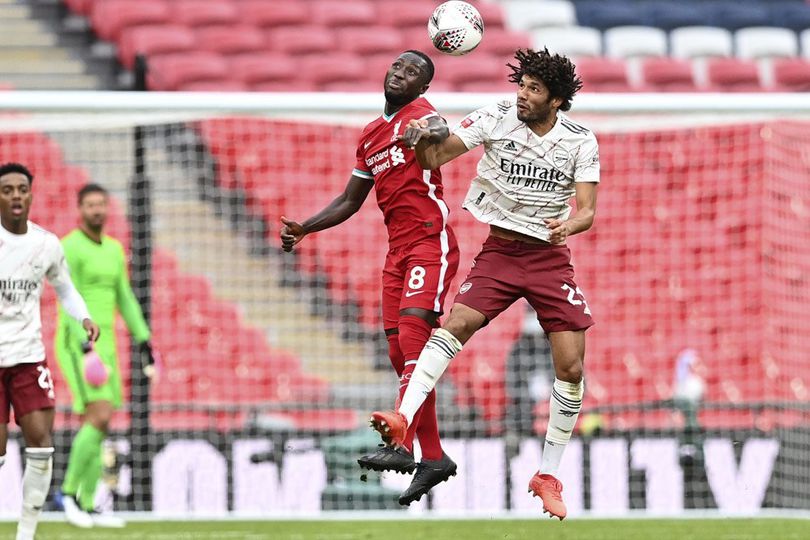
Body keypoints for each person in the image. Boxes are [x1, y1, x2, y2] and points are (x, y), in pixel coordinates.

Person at [369, 48, 600, 520]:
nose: (522, 94)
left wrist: (569, 227)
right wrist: (422, 136)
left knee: (572, 369)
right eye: (522, 84)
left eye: (534, 89)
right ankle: (402, 419)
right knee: (453, 325)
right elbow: (440, 151)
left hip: (550, 259)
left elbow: (588, 212)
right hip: (500, 252)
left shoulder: (581, 141)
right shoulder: (497, 115)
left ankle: (547, 473)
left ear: (555, 100)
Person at [280, 50, 460, 506]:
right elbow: (349, 200)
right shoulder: (370, 136)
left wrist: (430, 131)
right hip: (396, 251)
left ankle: (401, 444)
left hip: (428, 239)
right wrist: (306, 226)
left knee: (417, 338)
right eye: (398, 66)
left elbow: (441, 130)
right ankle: (433, 456)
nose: (402, 74)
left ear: (423, 88)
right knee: (400, 352)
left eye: (414, 73)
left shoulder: (421, 115)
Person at [0, 162, 100, 540]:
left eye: (21, 189)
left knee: (41, 441)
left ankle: (25, 534)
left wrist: (85, 318)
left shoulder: (46, 244)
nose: (15, 196)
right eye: (7, 189)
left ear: (30, 194)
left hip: (28, 358)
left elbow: (66, 288)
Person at [55, 183, 158, 528]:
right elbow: (67, 296)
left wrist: (144, 339)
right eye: (90, 205)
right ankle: (68, 495)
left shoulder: (114, 249)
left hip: (109, 343)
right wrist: (84, 347)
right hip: (78, 342)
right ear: (79, 209)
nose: (97, 210)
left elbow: (124, 297)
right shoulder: (70, 246)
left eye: (102, 204)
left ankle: (87, 503)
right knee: (97, 415)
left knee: (102, 423)